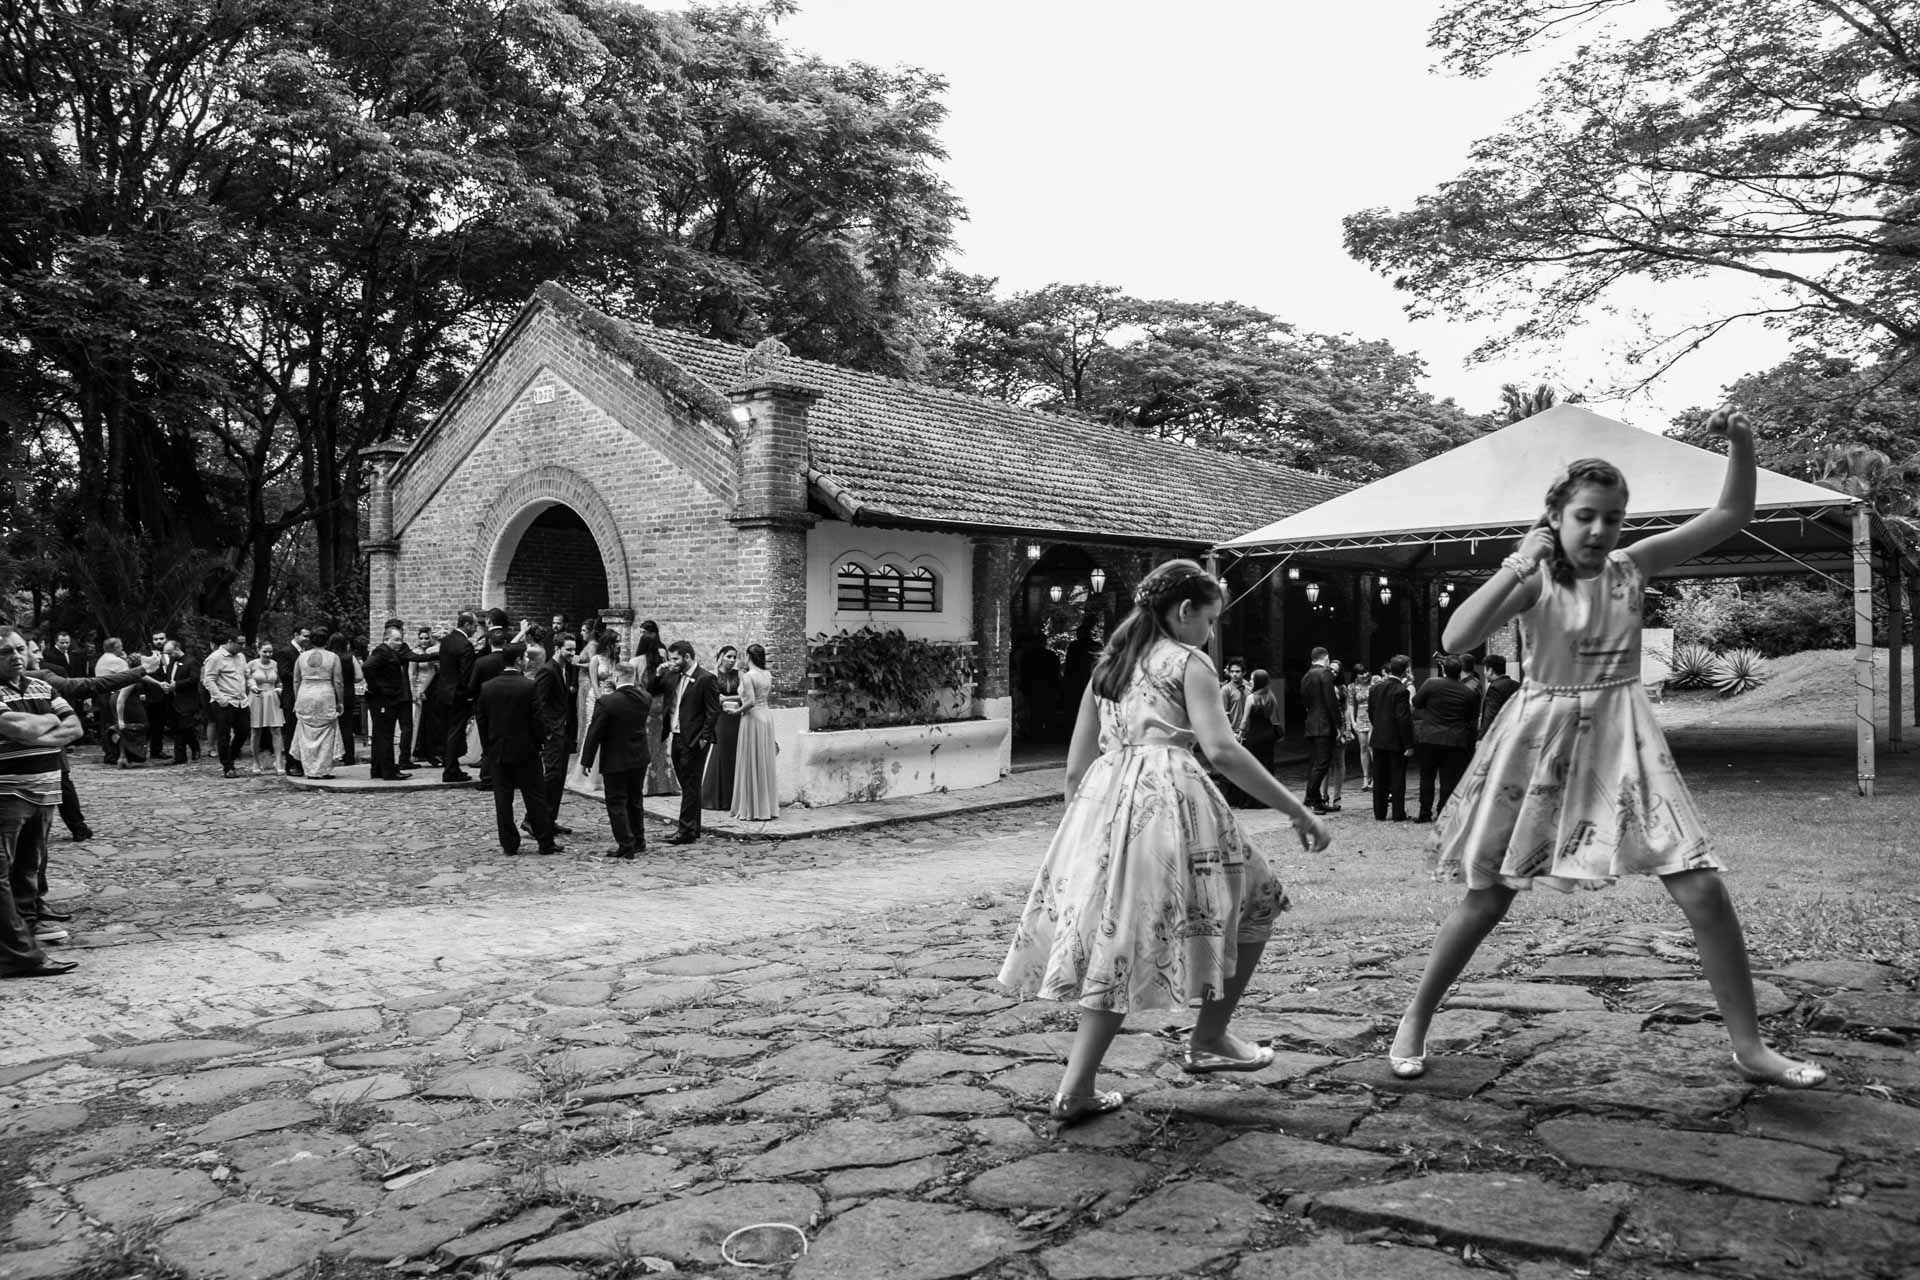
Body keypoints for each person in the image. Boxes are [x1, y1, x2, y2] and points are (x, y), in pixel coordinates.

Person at [1389, 407, 1825, 1089]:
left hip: (1624, 739)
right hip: (1541, 740)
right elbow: (1455, 639)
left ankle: (1751, 1046)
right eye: (1585, 516)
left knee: (1703, 888)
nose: (1599, 530)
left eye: (1612, 518)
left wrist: (1741, 443)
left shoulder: (1630, 567)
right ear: (1555, 517)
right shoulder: (1535, 579)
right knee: (1487, 897)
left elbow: (1730, 514)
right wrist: (1518, 563)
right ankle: (1413, 1021)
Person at [998, 560, 1331, 1125]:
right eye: (1210, 619)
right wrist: (1296, 810)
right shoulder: (1188, 662)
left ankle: (1078, 1088)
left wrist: (1084, 837)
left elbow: (1075, 769)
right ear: (1184, 610)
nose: (1211, 632)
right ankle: (1210, 1035)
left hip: (1103, 804)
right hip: (1172, 801)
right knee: (1260, 899)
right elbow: (1221, 750)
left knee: (1118, 934)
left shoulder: (1108, 667)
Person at [0, 626, 84, 977]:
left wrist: (38, 730)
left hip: (46, 791)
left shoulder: (41, 686)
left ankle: (27, 930)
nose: (16, 656)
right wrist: (51, 719)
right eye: (6, 652)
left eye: (20, 649)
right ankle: (18, 953)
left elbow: (75, 729)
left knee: (28, 867)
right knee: (2, 872)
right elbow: (19, 729)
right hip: (8, 793)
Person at [26, 649, 151, 845]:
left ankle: (78, 827)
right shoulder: (39, 677)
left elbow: (89, 686)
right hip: (24, 761)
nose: (39, 656)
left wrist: (139, 671)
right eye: (33, 651)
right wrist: (140, 670)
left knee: (63, 783)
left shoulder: (41, 679)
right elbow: (88, 685)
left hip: (49, 751)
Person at [475, 643, 560, 856]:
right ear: (519, 660)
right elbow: (537, 718)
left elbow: (482, 720)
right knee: (535, 798)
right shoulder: (528, 686)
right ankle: (545, 841)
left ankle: (509, 843)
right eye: (525, 657)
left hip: (499, 750)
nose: (527, 661)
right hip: (526, 751)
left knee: (503, 800)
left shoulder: (488, 687)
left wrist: (488, 747)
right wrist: (540, 742)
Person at [579, 660, 651, 858]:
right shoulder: (645, 697)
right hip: (639, 756)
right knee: (635, 799)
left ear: (617, 676)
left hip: (615, 758)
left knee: (616, 801)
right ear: (633, 676)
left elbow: (595, 732)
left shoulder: (607, 702)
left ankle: (626, 844)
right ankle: (639, 840)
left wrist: (586, 760)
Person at [654, 640, 721, 844]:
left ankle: (684, 831)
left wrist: (704, 738)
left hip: (694, 738)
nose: (671, 662)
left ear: (687, 657)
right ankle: (692, 828)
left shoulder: (705, 678)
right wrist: (658, 673)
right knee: (687, 784)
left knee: (691, 783)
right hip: (675, 735)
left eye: (675, 659)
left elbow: (713, 711)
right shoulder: (673, 675)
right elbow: (652, 690)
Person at [1411, 656, 1477, 822]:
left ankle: (1425, 812)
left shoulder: (1431, 683)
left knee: (1427, 777)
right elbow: (1472, 716)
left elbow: (1416, 702)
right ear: (1460, 672)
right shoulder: (1467, 692)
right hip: (1454, 740)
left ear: (1443, 669)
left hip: (1430, 737)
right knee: (1448, 780)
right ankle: (1442, 812)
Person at [531, 633, 575, 836]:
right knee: (550, 776)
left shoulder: (565, 669)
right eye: (569, 649)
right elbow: (539, 703)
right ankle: (533, 819)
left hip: (563, 732)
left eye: (574, 649)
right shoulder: (548, 671)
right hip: (553, 733)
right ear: (557, 649)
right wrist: (547, 731)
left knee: (558, 778)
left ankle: (550, 818)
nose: (572, 653)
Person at [361, 623, 416, 781]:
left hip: (384, 698)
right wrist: (378, 688)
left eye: (401, 640)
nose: (400, 643)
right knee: (385, 735)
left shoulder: (389, 652)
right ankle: (389, 771)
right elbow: (367, 667)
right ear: (386, 639)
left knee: (380, 735)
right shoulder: (382, 651)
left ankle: (378, 768)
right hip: (383, 699)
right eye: (396, 640)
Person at [731, 643, 779, 821]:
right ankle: (766, 807)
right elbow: (760, 698)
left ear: (748, 656)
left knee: (751, 759)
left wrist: (736, 712)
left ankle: (752, 808)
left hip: (752, 718)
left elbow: (750, 702)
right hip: (766, 716)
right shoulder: (767, 674)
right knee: (763, 760)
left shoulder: (748, 676)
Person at [291, 627, 345, 779]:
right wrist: (340, 701)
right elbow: (338, 681)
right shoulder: (333, 657)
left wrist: (297, 699)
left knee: (306, 732)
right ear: (327, 641)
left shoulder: (301, 657)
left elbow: (296, 680)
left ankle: (310, 769)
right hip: (325, 693)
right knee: (326, 732)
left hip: (305, 693)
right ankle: (322, 769)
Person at [465, 612, 511, 786]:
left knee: (487, 742)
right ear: (504, 643)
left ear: (490, 643)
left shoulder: (481, 662)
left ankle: (487, 777)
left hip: (485, 706)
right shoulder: (509, 661)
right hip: (506, 705)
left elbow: (472, 686)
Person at [1368, 656, 1415, 822]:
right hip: (1396, 740)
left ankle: (1379, 813)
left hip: (1378, 737)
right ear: (1405, 671)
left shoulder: (1375, 688)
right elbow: (1403, 719)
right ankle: (1397, 813)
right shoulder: (1402, 690)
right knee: (1397, 777)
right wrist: (1409, 744)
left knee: (1379, 776)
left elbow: (1371, 712)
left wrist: (1379, 727)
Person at [199, 633, 252, 777]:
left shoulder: (241, 657)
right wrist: (221, 699)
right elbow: (208, 680)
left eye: (244, 643)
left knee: (244, 731)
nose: (242, 646)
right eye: (239, 643)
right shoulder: (215, 657)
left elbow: (247, 674)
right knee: (224, 734)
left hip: (241, 701)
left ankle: (231, 756)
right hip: (225, 701)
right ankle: (227, 766)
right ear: (230, 641)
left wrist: (252, 685)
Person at [437, 611, 479, 783]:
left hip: (444, 692)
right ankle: (450, 769)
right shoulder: (465, 645)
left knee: (448, 730)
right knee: (456, 732)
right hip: (458, 694)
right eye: (475, 626)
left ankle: (451, 766)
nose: (476, 629)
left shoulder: (446, 640)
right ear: (467, 625)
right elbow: (466, 674)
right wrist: (469, 695)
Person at [701, 645, 743, 811]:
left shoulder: (739, 674)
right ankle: (715, 798)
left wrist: (728, 698)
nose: (732, 660)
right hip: (720, 718)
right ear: (721, 657)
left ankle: (733, 798)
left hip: (737, 717)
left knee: (735, 754)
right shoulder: (713, 674)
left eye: (734, 657)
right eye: (728, 657)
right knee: (720, 752)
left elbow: (746, 695)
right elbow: (711, 696)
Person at [1299, 647, 1340, 815]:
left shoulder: (1306, 675)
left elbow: (1305, 700)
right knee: (1323, 762)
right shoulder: (1325, 673)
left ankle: (1315, 800)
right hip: (1324, 723)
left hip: (1311, 721)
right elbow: (1331, 701)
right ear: (1326, 658)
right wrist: (1338, 724)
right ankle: (1310, 800)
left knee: (1314, 763)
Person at [1237, 669, 1284, 780]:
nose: (1250, 681)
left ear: (1258, 682)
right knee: (1268, 763)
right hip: (1269, 734)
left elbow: (1245, 720)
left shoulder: (1251, 698)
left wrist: (1240, 735)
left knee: (1254, 764)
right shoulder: (1271, 696)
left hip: (1254, 735)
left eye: (1252, 679)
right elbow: (1275, 717)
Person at [248, 641, 286, 775]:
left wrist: (280, 688)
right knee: (256, 730)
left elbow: (279, 681)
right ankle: (256, 761)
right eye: (265, 651)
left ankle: (279, 761)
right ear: (258, 650)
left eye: (270, 651)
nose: (268, 654)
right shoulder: (252, 664)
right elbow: (247, 679)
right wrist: (252, 686)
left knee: (276, 729)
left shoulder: (275, 664)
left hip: (272, 697)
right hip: (256, 697)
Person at [93, 639, 129, 765]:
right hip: (112, 695)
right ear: (115, 648)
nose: (122, 648)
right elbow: (129, 676)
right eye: (120, 646)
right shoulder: (116, 661)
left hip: (102, 694)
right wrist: (125, 660)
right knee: (114, 724)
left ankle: (109, 752)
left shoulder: (102, 658)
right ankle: (115, 753)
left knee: (106, 724)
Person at [410, 624, 441, 767]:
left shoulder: (432, 651)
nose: (424, 641)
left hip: (430, 688)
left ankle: (423, 749)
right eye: (421, 638)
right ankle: (412, 751)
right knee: (416, 720)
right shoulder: (415, 652)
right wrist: (414, 691)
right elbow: (411, 674)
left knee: (425, 721)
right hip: (418, 687)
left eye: (426, 638)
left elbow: (434, 671)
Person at [1348, 666, 1376, 791]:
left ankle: (1376, 776)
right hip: (1360, 717)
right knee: (1363, 747)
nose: (1365, 675)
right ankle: (1365, 777)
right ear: (1356, 675)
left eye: (1366, 672)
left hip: (1373, 718)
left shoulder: (1375, 682)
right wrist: (1352, 721)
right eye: (1361, 673)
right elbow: (1350, 704)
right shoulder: (1352, 687)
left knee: (1372, 747)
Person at [1478, 653, 1520, 735]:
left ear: (1490, 670)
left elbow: (1490, 718)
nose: (1484, 673)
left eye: (1485, 669)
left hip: (1497, 735)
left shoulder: (1494, 688)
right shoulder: (1517, 685)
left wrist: (1482, 737)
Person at [1220, 657, 1250, 731]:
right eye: (1232, 672)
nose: (1234, 674)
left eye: (1237, 671)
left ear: (1244, 672)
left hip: (1249, 731)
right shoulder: (1226, 690)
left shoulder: (1248, 688)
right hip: (1234, 731)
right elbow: (1223, 713)